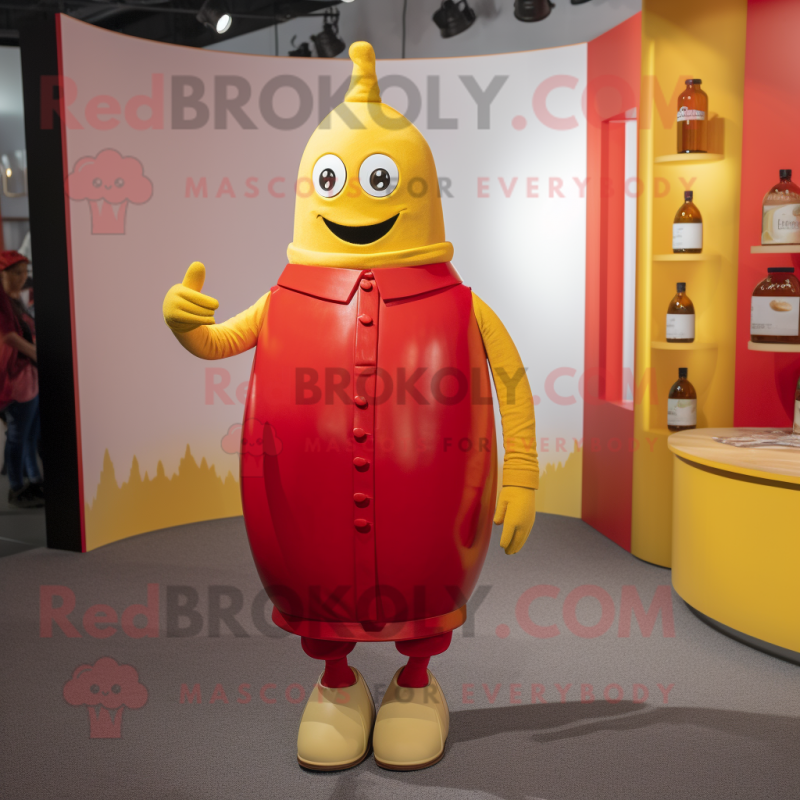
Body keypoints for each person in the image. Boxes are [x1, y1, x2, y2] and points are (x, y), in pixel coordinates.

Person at [0, 250, 44, 508]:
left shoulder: (17, 302)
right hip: (16, 379)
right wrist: (38, 354)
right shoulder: (4, 303)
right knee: (18, 434)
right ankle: (17, 487)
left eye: (23, 272)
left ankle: (33, 480)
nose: (20, 277)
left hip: (29, 378)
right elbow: (8, 337)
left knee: (29, 433)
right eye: (15, 272)